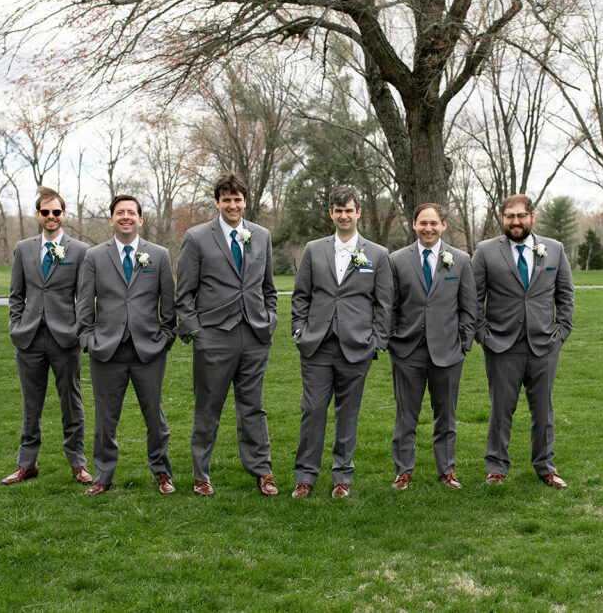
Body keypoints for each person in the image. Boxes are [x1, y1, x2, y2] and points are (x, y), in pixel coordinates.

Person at [175, 174, 279, 496]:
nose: (232, 205)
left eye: (237, 199)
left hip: (255, 336)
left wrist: (270, 319)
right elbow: (184, 294)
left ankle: (262, 472)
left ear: (245, 201)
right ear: (217, 202)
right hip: (214, 337)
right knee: (208, 408)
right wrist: (197, 332)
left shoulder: (261, 235)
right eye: (226, 200)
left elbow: (269, 288)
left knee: (253, 407)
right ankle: (201, 475)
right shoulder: (196, 238)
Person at [290, 186, 392, 499]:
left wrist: (377, 341)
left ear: (358, 213)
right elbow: (301, 295)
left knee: (348, 413)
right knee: (313, 410)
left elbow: (385, 303)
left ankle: (342, 477)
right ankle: (305, 477)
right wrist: (299, 331)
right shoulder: (313, 249)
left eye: (349, 210)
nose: (344, 216)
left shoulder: (377, 254)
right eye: (338, 210)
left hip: (357, 346)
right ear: (331, 213)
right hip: (317, 345)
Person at [470, 194, 574, 488]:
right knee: (501, 410)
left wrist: (561, 331)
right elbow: (473, 297)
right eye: (509, 216)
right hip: (502, 345)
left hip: (544, 344)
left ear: (532, 217)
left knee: (543, 411)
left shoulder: (554, 249)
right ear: (502, 218)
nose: (515, 221)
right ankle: (496, 467)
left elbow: (565, 294)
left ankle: (545, 466)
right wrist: (483, 335)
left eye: (521, 216)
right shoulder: (486, 251)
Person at [76, 195, 177, 496]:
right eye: (120, 213)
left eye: (131, 212)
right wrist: (88, 339)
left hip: (149, 350)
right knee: (105, 419)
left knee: (155, 417)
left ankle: (162, 472)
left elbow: (169, 305)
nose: (126, 217)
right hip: (107, 350)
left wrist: (165, 338)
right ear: (111, 220)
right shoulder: (94, 256)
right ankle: (103, 475)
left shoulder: (158, 255)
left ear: (140, 219)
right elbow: (84, 305)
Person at [2, 186, 92, 486]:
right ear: (38, 215)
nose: (51, 216)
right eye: (45, 212)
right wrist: (15, 326)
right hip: (29, 338)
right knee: (31, 404)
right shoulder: (23, 248)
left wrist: (78, 330)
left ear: (63, 214)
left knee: (71, 402)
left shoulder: (79, 250)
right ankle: (26, 464)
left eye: (56, 211)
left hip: (65, 339)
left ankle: (78, 463)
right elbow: (16, 294)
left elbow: (85, 297)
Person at [388, 203, 475, 491]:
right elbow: (390, 305)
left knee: (446, 416)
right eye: (423, 223)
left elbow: (469, 307)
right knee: (406, 416)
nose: (428, 228)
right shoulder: (397, 260)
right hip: (407, 350)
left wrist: (463, 343)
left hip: (448, 352)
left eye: (433, 223)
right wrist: (393, 340)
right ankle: (403, 472)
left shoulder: (460, 260)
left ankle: (446, 471)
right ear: (414, 224)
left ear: (443, 225)